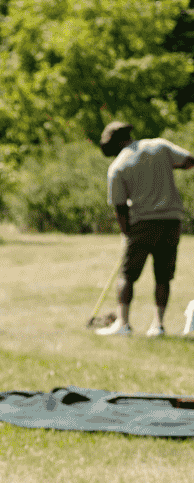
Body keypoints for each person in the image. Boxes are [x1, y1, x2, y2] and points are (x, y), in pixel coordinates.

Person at [93, 121, 194, 337]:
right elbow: (188, 161)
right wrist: (167, 166)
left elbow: (120, 208)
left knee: (127, 276)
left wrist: (125, 232)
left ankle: (123, 323)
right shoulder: (160, 146)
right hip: (171, 221)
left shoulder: (118, 166)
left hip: (142, 223)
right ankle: (158, 326)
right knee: (163, 276)